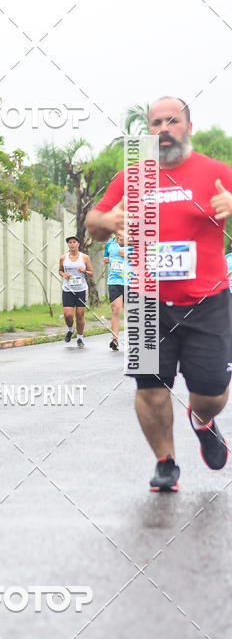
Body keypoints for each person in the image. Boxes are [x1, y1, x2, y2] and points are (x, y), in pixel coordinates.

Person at [87, 96, 232, 492]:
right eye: (155, 123)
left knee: (211, 393)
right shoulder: (132, 177)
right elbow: (94, 222)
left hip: (207, 302)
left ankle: (202, 420)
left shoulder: (217, 172)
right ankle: (165, 462)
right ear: (148, 132)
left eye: (173, 121)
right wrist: (106, 220)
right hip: (147, 302)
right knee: (150, 387)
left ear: (188, 127)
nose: (163, 129)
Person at [59, 236, 93, 348]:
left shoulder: (85, 258)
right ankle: (70, 329)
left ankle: (79, 338)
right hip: (68, 289)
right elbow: (60, 270)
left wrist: (84, 271)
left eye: (74, 242)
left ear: (78, 244)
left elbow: (91, 273)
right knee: (68, 315)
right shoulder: (63, 258)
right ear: (68, 245)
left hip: (81, 290)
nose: (72, 244)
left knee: (79, 314)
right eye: (70, 242)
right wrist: (64, 274)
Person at [105, 232, 131, 351]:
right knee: (116, 310)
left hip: (130, 281)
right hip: (114, 281)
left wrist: (127, 255)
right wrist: (109, 259)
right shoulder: (110, 243)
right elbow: (106, 258)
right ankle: (114, 339)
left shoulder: (132, 241)